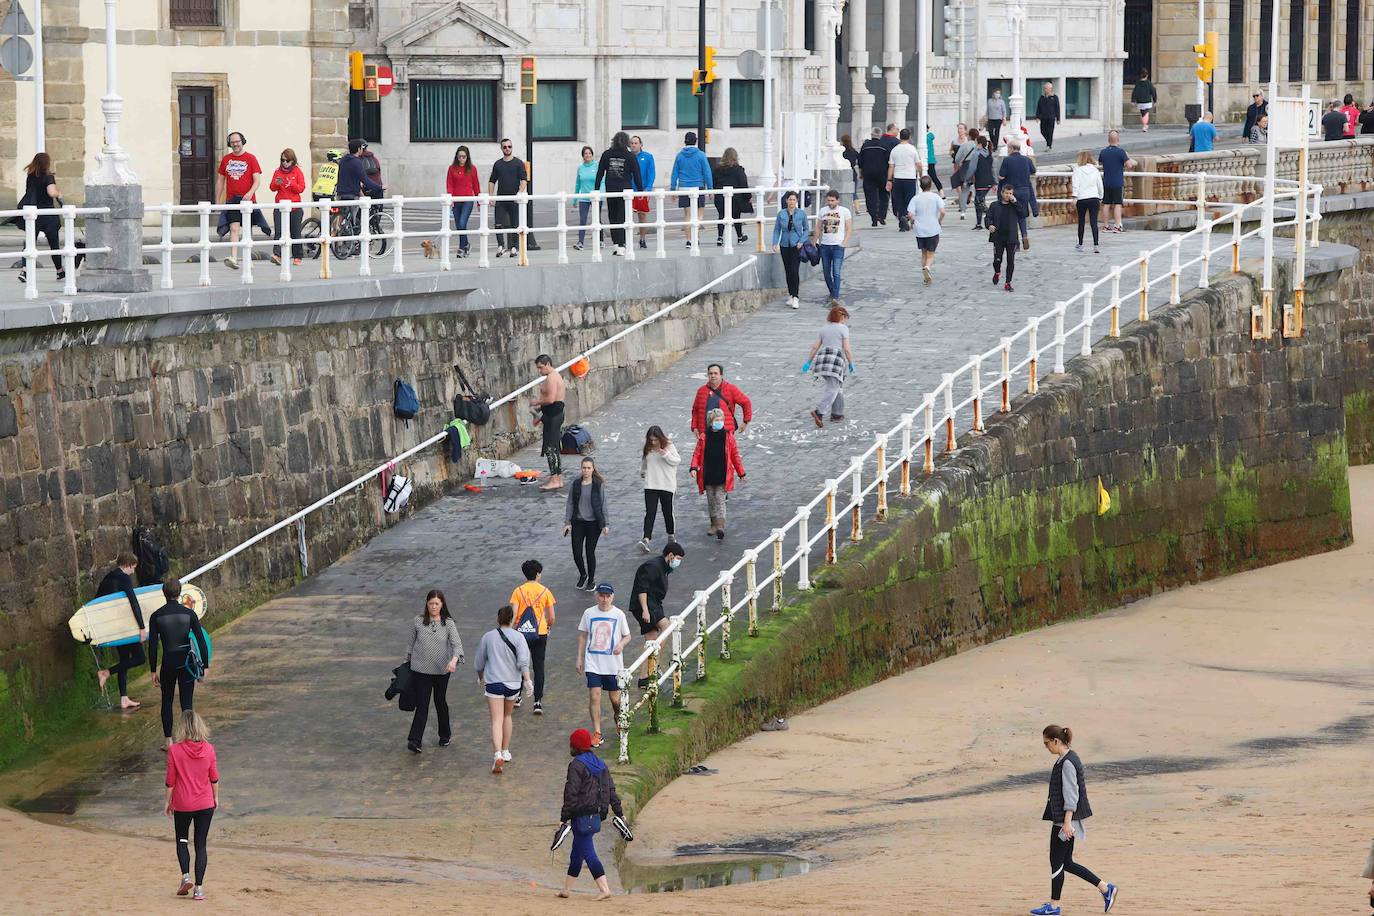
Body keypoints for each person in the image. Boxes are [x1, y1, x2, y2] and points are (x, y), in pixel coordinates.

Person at [1029, 725, 1119, 915]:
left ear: (1055, 741)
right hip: (1064, 820)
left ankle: (1053, 907)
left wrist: (1067, 822)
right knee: (1066, 863)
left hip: (1064, 822)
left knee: (1056, 862)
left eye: (1046, 744)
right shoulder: (1066, 758)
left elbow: (1072, 795)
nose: (1046, 748)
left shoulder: (1067, 762)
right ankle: (1105, 888)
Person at [556, 727, 623, 900]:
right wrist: (619, 812)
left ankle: (604, 889)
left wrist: (564, 818)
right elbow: (611, 790)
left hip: (581, 815)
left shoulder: (576, 765)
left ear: (576, 747)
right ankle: (566, 890)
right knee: (577, 853)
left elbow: (571, 793)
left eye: (572, 744)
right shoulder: (601, 764)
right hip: (596, 815)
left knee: (588, 852)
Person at [147, 578, 210, 749]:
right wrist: (204, 666)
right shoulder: (189, 614)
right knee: (186, 702)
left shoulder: (156, 616)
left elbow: (152, 646)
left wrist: (153, 670)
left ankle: (169, 742)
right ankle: (188, 738)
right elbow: (201, 641)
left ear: (164, 593)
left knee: (166, 700)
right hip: (186, 663)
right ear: (180, 592)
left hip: (168, 663)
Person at [164, 710, 219, 902]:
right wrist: (215, 797)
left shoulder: (174, 750)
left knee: (182, 840)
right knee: (201, 844)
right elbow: (214, 777)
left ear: (182, 728)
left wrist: (167, 802)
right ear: (199, 726)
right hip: (205, 803)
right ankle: (199, 889)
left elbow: (170, 781)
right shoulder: (209, 749)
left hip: (183, 803)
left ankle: (186, 876)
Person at [473, 605, 533, 774]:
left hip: (493, 683)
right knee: (507, 716)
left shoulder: (488, 637)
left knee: (496, 720)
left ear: (497, 619)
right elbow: (523, 662)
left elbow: (479, 662)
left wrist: (480, 676)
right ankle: (506, 751)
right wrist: (527, 681)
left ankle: (497, 753)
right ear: (512, 619)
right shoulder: (519, 637)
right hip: (513, 684)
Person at [403, 589, 464, 754]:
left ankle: (445, 734)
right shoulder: (418, 621)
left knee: (440, 701)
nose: (434, 607)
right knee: (422, 704)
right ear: (427, 604)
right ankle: (415, 740)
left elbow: (457, 646)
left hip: (442, 670)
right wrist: (406, 664)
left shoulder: (448, 624)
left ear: (442, 604)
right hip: (421, 670)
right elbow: (410, 645)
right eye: (431, 603)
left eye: (437, 604)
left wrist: (453, 660)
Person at [575, 586, 631, 747]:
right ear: (596, 596)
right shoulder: (589, 613)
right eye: (601, 596)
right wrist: (579, 658)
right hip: (593, 663)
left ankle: (619, 719)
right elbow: (583, 636)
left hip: (613, 665)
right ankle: (597, 732)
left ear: (612, 597)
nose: (604, 599)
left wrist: (621, 645)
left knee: (615, 699)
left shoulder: (618, 614)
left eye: (607, 596)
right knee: (594, 696)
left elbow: (628, 636)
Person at [94, 552, 146, 710]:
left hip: (113, 627)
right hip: (125, 626)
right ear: (128, 565)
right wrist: (142, 627)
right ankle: (106, 673)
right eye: (134, 568)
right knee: (140, 658)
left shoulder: (107, 578)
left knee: (124, 660)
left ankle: (124, 698)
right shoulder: (124, 578)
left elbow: (97, 602)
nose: (133, 572)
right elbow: (133, 603)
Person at [630, 541, 686, 687]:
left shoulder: (665, 567)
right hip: (645, 605)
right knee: (660, 632)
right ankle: (647, 673)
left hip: (654, 604)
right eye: (678, 559)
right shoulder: (653, 566)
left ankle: (650, 670)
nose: (678, 562)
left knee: (655, 635)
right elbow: (642, 589)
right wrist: (645, 610)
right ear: (671, 555)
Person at [215, 131, 271, 270]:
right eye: (232, 142)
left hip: (247, 200)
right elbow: (220, 181)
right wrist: (217, 200)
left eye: (237, 141)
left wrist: (249, 193)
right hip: (232, 199)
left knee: (247, 229)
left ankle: (247, 257)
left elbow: (257, 180)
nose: (235, 144)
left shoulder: (251, 158)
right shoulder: (226, 159)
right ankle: (233, 257)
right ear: (229, 143)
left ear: (242, 141)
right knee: (234, 227)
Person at [10, 153, 68, 284]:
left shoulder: (30, 177)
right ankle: (59, 271)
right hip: (47, 215)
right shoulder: (49, 177)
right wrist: (59, 194)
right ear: (47, 163)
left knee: (29, 244)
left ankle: (25, 270)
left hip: (33, 214)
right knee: (54, 244)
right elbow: (51, 192)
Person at [690, 407, 746, 540]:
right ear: (711, 421)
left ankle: (720, 525)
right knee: (711, 499)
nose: (719, 422)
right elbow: (697, 454)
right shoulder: (704, 437)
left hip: (722, 474)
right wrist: (693, 467)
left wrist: (741, 473)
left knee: (720, 499)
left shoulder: (728, 437)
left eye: (721, 419)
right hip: (708, 473)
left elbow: (735, 455)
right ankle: (713, 524)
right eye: (717, 419)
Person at [510, 560, 556, 714]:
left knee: (520, 664)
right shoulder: (545, 591)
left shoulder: (518, 591)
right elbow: (552, 617)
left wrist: (510, 631)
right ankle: (537, 702)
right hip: (540, 632)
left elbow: (514, 614)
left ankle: (517, 696)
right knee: (539, 666)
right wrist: (547, 627)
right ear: (537, 574)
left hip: (521, 633)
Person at [803, 304, 854, 428]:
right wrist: (851, 362)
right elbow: (846, 349)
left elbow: (815, 346)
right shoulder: (843, 328)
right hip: (835, 361)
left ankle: (837, 414)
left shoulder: (824, 329)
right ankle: (819, 412)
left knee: (837, 386)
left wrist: (808, 362)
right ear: (842, 317)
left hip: (822, 360)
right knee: (833, 389)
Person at [594, 131, 644, 256]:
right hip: (625, 191)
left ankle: (616, 243)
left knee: (613, 216)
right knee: (623, 217)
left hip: (610, 189)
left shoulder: (606, 154)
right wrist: (641, 190)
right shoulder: (630, 156)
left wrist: (596, 189)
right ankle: (622, 244)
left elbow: (600, 173)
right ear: (626, 142)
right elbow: (637, 174)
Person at [563, 457, 609, 591]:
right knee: (576, 552)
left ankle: (591, 579)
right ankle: (583, 574)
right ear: (581, 468)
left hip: (594, 524)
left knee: (590, 552)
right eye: (584, 468)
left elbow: (603, 504)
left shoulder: (598, 484)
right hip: (578, 523)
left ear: (593, 469)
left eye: (589, 468)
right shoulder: (576, 484)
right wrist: (567, 522)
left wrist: (606, 524)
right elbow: (570, 503)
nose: (586, 470)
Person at [668, 132, 713, 247]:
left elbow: (674, 173)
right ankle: (695, 235)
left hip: (684, 187)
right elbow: (707, 172)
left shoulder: (679, 155)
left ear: (685, 141)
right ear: (696, 141)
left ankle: (689, 240)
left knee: (687, 214)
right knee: (700, 213)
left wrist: (673, 189)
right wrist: (710, 189)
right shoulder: (701, 155)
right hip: (698, 186)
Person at [639, 425, 680, 551]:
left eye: (655, 440)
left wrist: (666, 455)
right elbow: (645, 462)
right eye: (651, 440)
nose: (653, 442)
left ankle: (671, 534)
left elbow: (677, 460)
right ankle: (646, 538)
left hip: (666, 485)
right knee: (650, 512)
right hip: (651, 484)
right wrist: (642, 471)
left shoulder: (669, 446)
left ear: (660, 438)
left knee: (667, 511)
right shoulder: (648, 448)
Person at [531, 354, 566, 490]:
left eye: (540, 367)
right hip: (552, 415)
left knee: (551, 448)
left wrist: (537, 402)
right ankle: (557, 478)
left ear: (547, 364)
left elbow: (551, 399)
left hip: (554, 416)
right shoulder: (553, 376)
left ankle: (554, 479)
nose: (539, 371)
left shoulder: (552, 378)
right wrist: (539, 410)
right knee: (554, 448)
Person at [488, 139, 527, 257]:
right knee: (498, 223)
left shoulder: (519, 163)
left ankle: (514, 247)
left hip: (514, 199)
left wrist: (519, 194)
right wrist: (491, 196)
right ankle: (501, 246)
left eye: (509, 146)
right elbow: (492, 181)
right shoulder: (498, 164)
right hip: (501, 198)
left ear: (512, 147)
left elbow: (524, 180)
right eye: (504, 147)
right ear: (501, 148)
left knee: (515, 224)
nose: (507, 149)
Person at [268, 148, 306, 267]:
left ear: (292, 161)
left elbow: (301, 188)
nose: (284, 162)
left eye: (287, 160)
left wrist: (292, 184)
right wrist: (276, 183)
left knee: (295, 233)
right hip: (280, 206)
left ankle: (297, 256)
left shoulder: (297, 171)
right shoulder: (277, 172)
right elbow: (272, 188)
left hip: (295, 207)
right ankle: (277, 255)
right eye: (282, 160)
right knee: (279, 232)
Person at [772, 189, 810, 309]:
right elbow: (777, 229)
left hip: (796, 245)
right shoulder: (781, 214)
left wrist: (801, 241)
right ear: (786, 200)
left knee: (794, 270)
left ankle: (796, 296)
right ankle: (790, 293)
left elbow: (806, 229)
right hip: (784, 245)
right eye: (790, 199)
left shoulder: (801, 214)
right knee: (788, 271)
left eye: (794, 200)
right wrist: (775, 242)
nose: (792, 202)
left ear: (797, 201)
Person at [691, 363, 753, 436]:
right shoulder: (701, 391)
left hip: (725, 431)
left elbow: (746, 402)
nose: (713, 376)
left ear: (721, 375)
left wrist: (746, 421)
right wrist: (694, 427)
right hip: (705, 432)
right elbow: (695, 410)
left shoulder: (730, 389)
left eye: (715, 373)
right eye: (710, 373)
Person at [814, 189, 853, 305]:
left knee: (836, 271)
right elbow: (818, 227)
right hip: (825, 245)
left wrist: (844, 242)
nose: (830, 203)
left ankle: (835, 296)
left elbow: (849, 228)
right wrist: (814, 241)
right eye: (828, 200)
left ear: (837, 200)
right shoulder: (822, 211)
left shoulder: (844, 211)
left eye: (832, 200)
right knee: (826, 273)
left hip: (838, 246)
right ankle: (832, 292)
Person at [906, 175, 946, 284]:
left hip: (920, 229)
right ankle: (927, 267)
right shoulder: (936, 197)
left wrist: (912, 221)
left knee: (924, 252)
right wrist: (939, 220)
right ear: (931, 185)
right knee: (931, 253)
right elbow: (942, 211)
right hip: (932, 228)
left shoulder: (915, 198)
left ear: (920, 185)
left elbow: (910, 214)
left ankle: (925, 275)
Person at [443, 145, 481, 258]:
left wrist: (479, 201)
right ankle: (466, 245)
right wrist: (450, 198)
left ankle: (461, 247)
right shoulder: (451, 168)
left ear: (467, 157)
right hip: (456, 200)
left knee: (462, 223)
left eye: (464, 157)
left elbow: (476, 185)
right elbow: (449, 184)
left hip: (468, 200)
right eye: (459, 156)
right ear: (456, 157)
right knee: (458, 225)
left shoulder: (472, 169)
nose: (461, 159)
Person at [998, 139, 1037, 250]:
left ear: (1011, 148)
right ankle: (1024, 236)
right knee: (1022, 215)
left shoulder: (1007, 160)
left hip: (1012, 192)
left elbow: (1001, 176)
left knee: (1012, 217)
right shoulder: (1027, 159)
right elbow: (1033, 171)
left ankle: (1016, 243)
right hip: (1025, 192)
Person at [1098, 130, 1136, 234]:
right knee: (1117, 204)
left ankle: (1105, 226)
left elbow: (1100, 163)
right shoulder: (1121, 152)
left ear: (1108, 139)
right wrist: (1127, 157)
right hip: (1117, 182)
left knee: (1106, 204)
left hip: (1106, 181)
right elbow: (1129, 165)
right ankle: (1117, 225)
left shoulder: (1103, 152)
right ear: (1118, 139)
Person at [711, 147, 750, 246]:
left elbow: (714, 183)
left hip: (720, 197)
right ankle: (740, 237)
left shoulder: (717, 170)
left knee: (721, 216)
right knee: (736, 217)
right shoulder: (738, 170)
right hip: (735, 198)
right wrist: (748, 196)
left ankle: (720, 237)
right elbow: (743, 184)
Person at [885, 128, 922, 232]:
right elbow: (919, 164)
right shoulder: (912, 149)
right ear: (909, 137)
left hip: (898, 178)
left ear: (899, 137)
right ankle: (906, 217)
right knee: (909, 200)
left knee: (899, 200)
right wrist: (921, 175)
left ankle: (902, 223)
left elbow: (891, 167)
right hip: (910, 177)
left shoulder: (895, 150)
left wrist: (889, 180)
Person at [987, 185, 1021, 292]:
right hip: (998, 237)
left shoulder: (1015, 205)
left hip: (1011, 238)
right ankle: (997, 272)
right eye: (1007, 193)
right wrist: (989, 225)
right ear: (1002, 193)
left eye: (1010, 193)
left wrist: (1015, 202)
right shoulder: (994, 205)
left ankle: (1008, 282)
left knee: (1010, 260)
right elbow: (988, 217)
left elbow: (1024, 213)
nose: (1008, 195)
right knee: (997, 259)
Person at [858, 128, 893, 226]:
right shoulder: (884, 146)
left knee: (870, 196)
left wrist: (861, 173)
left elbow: (860, 161)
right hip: (882, 174)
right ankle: (881, 215)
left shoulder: (865, 146)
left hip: (868, 174)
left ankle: (873, 217)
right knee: (884, 195)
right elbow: (888, 161)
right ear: (880, 135)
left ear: (871, 135)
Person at [1071, 150, 1103, 254]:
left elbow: (1076, 184)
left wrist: (1075, 197)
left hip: (1082, 198)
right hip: (1094, 197)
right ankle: (1096, 245)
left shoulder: (1077, 170)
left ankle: (1080, 244)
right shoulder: (1095, 170)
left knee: (1081, 221)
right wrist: (1100, 196)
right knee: (1094, 222)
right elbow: (1099, 185)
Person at [335, 138, 384, 203]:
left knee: (342, 212)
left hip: (340, 194)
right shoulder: (357, 162)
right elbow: (364, 179)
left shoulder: (343, 160)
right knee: (356, 212)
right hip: (352, 194)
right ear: (359, 149)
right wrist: (379, 188)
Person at [572, 145, 601, 251]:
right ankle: (580, 242)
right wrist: (575, 199)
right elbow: (577, 184)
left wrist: (599, 193)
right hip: (584, 197)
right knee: (582, 219)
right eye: (585, 154)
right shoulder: (580, 168)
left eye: (589, 153)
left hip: (595, 196)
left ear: (592, 155)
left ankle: (600, 240)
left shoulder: (597, 166)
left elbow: (602, 181)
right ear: (583, 156)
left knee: (597, 219)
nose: (588, 155)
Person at [630, 135, 656, 248]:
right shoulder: (628, 157)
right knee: (627, 217)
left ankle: (642, 239)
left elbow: (652, 173)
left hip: (642, 190)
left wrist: (648, 188)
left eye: (636, 143)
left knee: (642, 215)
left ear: (641, 144)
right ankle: (627, 241)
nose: (634, 145)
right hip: (629, 190)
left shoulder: (648, 157)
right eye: (632, 143)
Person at [951, 126, 979, 220]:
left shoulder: (965, 145)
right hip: (977, 169)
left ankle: (963, 211)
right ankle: (981, 210)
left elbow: (957, 158)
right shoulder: (978, 146)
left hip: (966, 168)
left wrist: (960, 164)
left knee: (964, 190)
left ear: (969, 136)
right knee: (978, 190)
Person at [970, 135, 995, 231]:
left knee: (978, 202)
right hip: (988, 181)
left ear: (979, 144)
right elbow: (992, 169)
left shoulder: (976, 154)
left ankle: (991, 215)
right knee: (979, 201)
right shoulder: (989, 153)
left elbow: (972, 168)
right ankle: (979, 223)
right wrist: (994, 182)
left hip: (980, 181)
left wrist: (966, 179)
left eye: (976, 143)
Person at [1035, 83, 1061, 150]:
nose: (1045, 89)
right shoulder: (1042, 97)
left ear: (1050, 89)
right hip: (1043, 117)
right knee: (1042, 131)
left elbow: (1057, 108)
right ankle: (1048, 142)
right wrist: (1037, 117)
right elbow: (1038, 107)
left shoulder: (1054, 97)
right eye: (1044, 88)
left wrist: (1058, 118)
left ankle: (1049, 145)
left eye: (1046, 88)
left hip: (1051, 118)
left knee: (1050, 132)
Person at [840, 133, 860, 211]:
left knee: (843, 191)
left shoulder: (842, 152)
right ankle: (857, 209)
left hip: (844, 172)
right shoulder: (853, 151)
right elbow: (859, 160)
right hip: (852, 172)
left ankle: (845, 207)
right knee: (854, 191)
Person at [924, 126, 944, 195]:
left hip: (928, 160)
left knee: (929, 177)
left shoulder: (926, 136)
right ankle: (942, 194)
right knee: (934, 177)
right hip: (930, 160)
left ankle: (941, 194)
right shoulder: (929, 136)